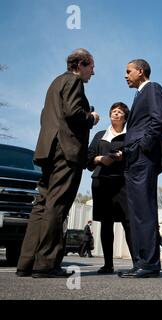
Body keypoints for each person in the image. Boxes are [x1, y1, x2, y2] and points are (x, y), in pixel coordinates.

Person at [16, 48, 100, 278]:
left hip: (48, 151)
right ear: (81, 64)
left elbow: (46, 116)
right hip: (66, 151)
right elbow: (74, 113)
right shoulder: (74, 81)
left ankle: (26, 262)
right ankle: (46, 264)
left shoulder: (54, 83)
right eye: (91, 67)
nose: (93, 72)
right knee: (57, 204)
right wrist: (91, 118)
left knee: (41, 204)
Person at [118, 59, 162, 278]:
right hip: (132, 159)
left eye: (128, 71)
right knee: (135, 212)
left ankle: (149, 263)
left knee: (144, 210)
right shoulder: (138, 95)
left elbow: (158, 121)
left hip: (143, 158)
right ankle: (140, 262)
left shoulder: (153, 88)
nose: (125, 75)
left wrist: (142, 147)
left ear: (140, 71)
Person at [87, 102, 135, 273]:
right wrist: (100, 159)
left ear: (125, 117)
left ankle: (137, 263)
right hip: (102, 182)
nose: (116, 114)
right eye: (113, 111)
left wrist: (124, 156)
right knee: (106, 224)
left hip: (123, 183)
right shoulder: (100, 135)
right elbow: (88, 158)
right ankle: (108, 264)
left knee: (128, 223)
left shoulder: (130, 135)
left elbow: (137, 157)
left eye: (120, 112)